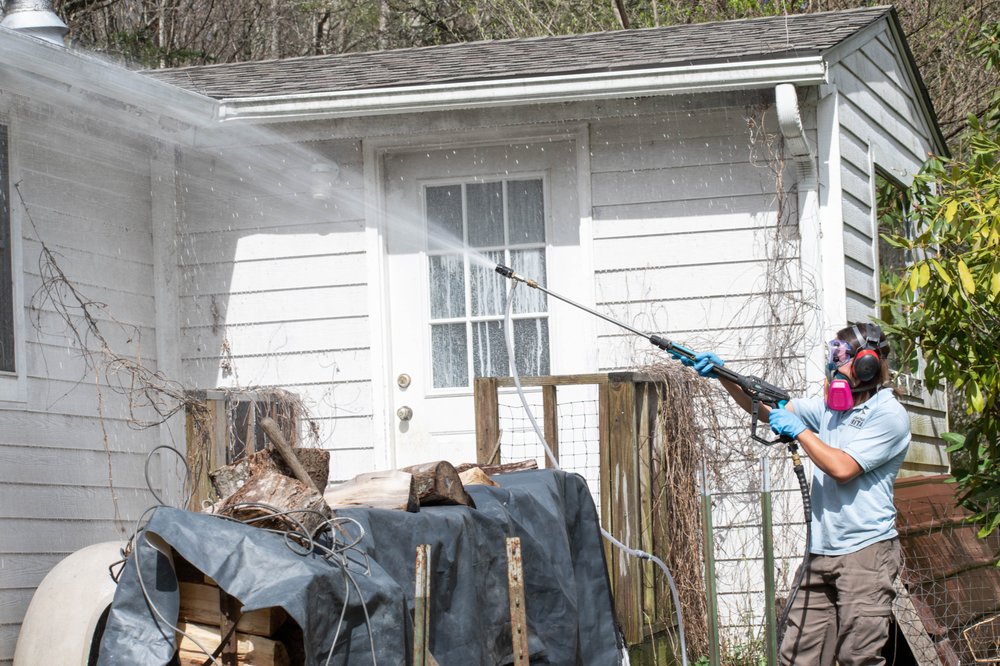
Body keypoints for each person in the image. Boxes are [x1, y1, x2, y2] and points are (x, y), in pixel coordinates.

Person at [687, 322, 911, 666]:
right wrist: (723, 376)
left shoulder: (888, 415)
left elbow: (842, 468)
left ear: (866, 364)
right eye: (831, 353)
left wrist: (802, 432)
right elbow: (768, 410)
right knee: (797, 656)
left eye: (840, 356)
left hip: (867, 553)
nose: (832, 363)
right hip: (820, 552)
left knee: (858, 657)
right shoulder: (831, 409)